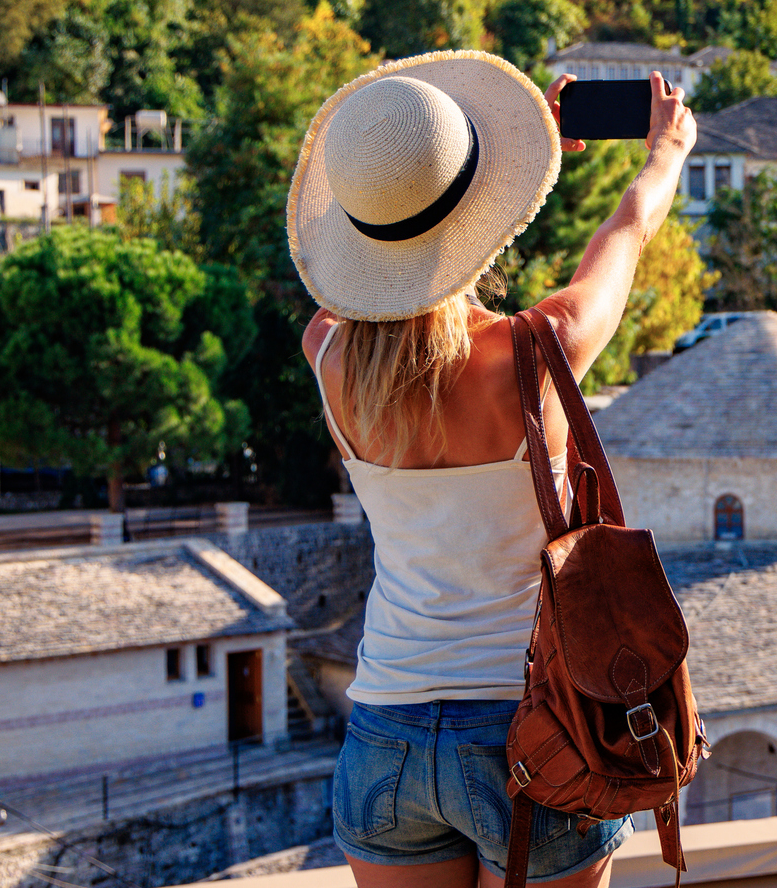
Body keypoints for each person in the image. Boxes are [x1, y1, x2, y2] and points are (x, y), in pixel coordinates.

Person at [287, 52, 693, 888]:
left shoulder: (325, 350)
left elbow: (391, 281)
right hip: (535, 735)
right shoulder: (539, 354)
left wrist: (491, 181)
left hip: (383, 738)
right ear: (483, 212)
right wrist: (664, 154)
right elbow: (625, 236)